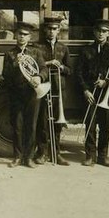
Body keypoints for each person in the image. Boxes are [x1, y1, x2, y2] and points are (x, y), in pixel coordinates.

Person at [2, 22, 47, 168]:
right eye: (20, 34)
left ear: (30, 36)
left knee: (31, 126)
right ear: (16, 35)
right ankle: (17, 157)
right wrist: (16, 63)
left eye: (25, 34)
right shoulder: (10, 54)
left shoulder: (36, 52)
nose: (22, 37)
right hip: (16, 94)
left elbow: (44, 69)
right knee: (17, 126)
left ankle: (28, 158)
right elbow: (5, 75)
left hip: (32, 93)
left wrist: (39, 77)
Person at [77, 19, 109, 167]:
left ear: (108, 33)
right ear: (94, 32)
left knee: (105, 126)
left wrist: (106, 82)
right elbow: (79, 73)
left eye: (104, 31)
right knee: (91, 125)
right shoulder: (86, 50)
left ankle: (103, 156)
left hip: (108, 94)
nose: (101, 34)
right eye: (99, 31)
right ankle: (89, 156)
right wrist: (85, 90)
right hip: (90, 93)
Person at [35, 16, 71, 165]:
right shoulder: (37, 47)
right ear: (45, 30)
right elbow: (34, 67)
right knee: (42, 122)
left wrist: (61, 67)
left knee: (57, 122)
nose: (51, 31)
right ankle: (42, 153)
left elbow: (70, 70)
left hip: (58, 88)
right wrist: (48, 63)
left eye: (55, 29)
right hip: (43, 87)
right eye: (49, 28)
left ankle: (56, 153)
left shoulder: (63, 47)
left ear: (59, 30)